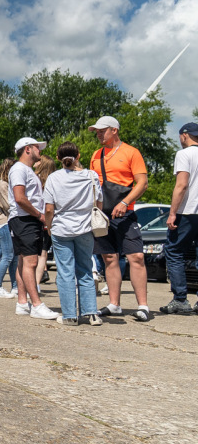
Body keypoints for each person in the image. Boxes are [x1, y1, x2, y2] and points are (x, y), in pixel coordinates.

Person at [88, 116, 151, 322]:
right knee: (109, 258)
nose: (98, 134)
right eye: (97, 131)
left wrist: (125, 203)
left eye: (102, 130)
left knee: (136, 257)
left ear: (114, 130)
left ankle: (143, 306)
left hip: (125, 213)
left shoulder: (131, 152)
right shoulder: (96, 155)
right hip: (102, 214)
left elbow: (142, 183)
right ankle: (114, 304)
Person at [43, 142, 102, 326]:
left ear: (58, 158)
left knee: (65, 273)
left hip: (61, 229)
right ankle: (92, 313)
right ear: (78, 156)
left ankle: (69, 316)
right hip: (85, 228)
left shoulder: (53, 178)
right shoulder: (91, 175)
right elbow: (99, 203)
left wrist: (49, 226)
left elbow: (49, 209)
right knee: (85, 269)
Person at [9, 137, 60, 320]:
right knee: (31, 263)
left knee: (24, 261)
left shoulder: (25, 170)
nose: (40, 151)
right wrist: (39, 215)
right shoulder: (19, 169)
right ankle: (37, 304)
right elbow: (20, 198)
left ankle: (22, 303)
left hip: (25, 219)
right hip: (25, 220)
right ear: (27, 149)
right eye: (37, 148)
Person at [160, 121, 198, 314]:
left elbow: (182, 185)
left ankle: (180, 300)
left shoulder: (184, 154)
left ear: (184, 135)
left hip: (187, 212)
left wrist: (172, 212)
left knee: (174, 251)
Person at [0, 159, 17, 298]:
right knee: (7, 256)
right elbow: (8, 205)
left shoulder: (7, 184)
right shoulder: (3, 184)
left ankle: (15, 287)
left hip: (9, 222)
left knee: (13, 257)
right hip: (4, 222)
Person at [32, 155, 56, 286]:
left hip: (37, 218)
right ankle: (36, 283)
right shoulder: (54, 180)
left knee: (34, 254)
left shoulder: (34, 178)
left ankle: (33, 284)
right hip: (50, 220)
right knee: (43, 253)